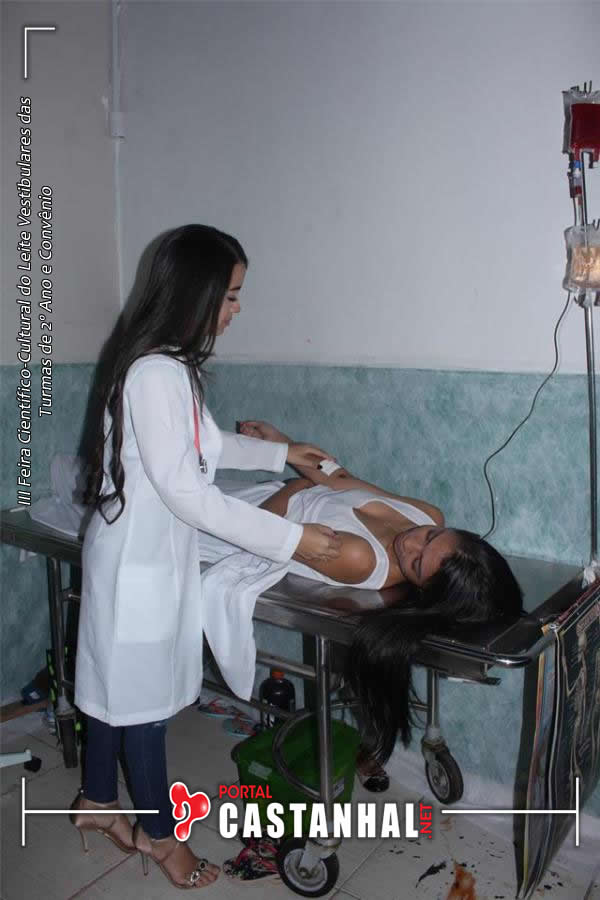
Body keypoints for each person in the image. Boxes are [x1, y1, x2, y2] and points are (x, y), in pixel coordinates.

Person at [71, 225, 342, 890]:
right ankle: (163, 840)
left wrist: (282, 453)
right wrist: (292, 540)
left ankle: (98, 801)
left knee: (113, 689)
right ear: (196, 292)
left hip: (139, 556)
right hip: (138, 564)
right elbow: (189, 491)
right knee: (141, 707)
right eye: (231, 294)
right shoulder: (157, 371)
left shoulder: (163, 365)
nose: (236, 309)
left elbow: (204, 446)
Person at [238, 420, 524, 764]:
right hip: (255, 498)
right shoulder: (428, 515)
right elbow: (339, 479)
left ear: (421, 588)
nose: (410, 542)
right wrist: (283, 446)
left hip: (234, 522)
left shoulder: (360, 558)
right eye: (431, 536)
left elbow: (254, 534)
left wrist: (296, 486)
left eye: (416, 564)